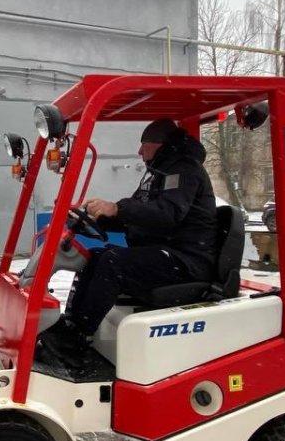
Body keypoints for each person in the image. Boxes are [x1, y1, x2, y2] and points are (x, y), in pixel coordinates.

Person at [46, 119, 218, 353]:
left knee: (114, 262)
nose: (139, 152)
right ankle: (72, 324)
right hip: (166, 251)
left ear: (160, 144)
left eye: (143, 145)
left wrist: (118, 208)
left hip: (187, 260)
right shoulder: (159, 172)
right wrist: (100, 218)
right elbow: (141, 216)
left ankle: (78, 336)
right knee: (97, 256)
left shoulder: (184, 170)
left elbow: (167, 214)